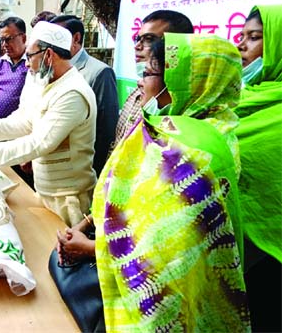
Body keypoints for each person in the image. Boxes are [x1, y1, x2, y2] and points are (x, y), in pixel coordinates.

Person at [59, 33, 250, 331]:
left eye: (148, 73)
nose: (139, 83)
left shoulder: (192, 150)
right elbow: (121, 197)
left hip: (167, 301)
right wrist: (86, 225)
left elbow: (169, 251)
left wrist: (91, 248)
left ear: (181, 81)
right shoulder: (167, 128)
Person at [0, 21, 97, 226]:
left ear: (48, 55)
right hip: (45, 191)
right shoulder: (47, 82)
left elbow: (41, 142)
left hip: (68, 199)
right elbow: (25, 122)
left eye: (30, 56)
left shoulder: (72, 93)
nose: (26, 63)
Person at [235, 4, 282, 332]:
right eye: (242, 36)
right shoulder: (241, 96)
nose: (242, 45)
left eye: (254, 38)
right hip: (234, 254)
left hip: (270, 258)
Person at [114, 10, 193, 148]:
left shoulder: (184, 112)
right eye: (138, 39)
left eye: (149, 39)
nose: (137, 46)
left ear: (174, 45)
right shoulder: (137, 93)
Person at [51, 15, 119, 176]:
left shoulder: (99, 72)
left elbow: (106, 130)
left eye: (57, 37)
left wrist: (93, 171)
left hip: (82, 171)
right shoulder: (51, 70)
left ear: (76, 38)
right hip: (55, 167)